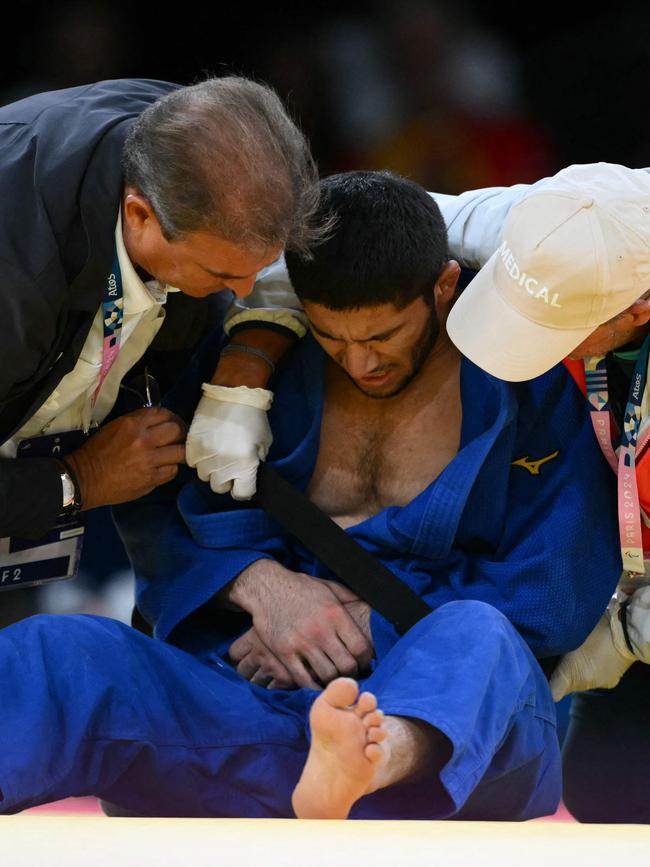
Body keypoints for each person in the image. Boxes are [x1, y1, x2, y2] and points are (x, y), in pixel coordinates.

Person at [0, 170, 619, 819]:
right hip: (246, 709)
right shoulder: (257, 366)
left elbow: (560, 586)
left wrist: (367, 627)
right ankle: (328, 772)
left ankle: (372, 754)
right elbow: (161, 504)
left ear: (443, 288)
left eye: (382, 337)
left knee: (478, 635)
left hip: (446, 747)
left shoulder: (528, 384)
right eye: (333, 337)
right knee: (60, 656)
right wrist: (254, 583)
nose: (359, 362)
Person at [0, 75, 319, 595]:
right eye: (218, 275)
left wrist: (242, 368)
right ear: (140, 216)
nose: (244, 291)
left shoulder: (195, 134)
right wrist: (79, 479)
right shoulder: (15, 280)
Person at [426, 161, 650, 823]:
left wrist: (623, 637)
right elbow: (341, 227)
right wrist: (243, 372)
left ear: (639, 306)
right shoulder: (553, 224)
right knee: (604, 786)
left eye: (556, 330)